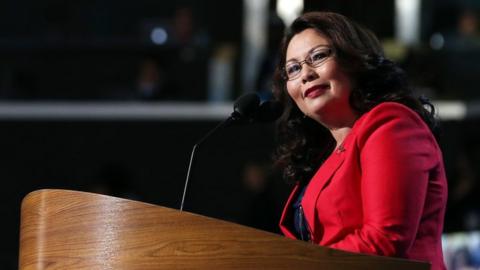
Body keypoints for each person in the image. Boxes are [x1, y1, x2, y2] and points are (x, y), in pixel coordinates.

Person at [272, 12, 447, 270]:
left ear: (353, 58)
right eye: (293, 69)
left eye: (318, 56)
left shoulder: (390, 124)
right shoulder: (326, 154)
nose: (306, 74)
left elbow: (384, 241)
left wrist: (295, 264)